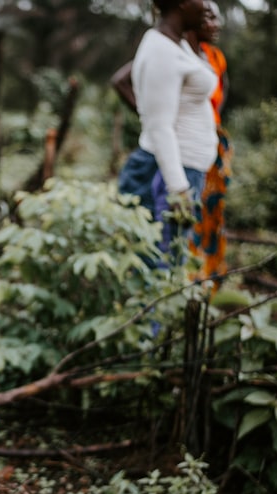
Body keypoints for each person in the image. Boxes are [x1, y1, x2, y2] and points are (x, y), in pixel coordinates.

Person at [112, 0, 216, 266]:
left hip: (186, 166)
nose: (206, 5)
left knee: (168, 258)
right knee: (164, 262)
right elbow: (159, 125)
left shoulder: (175, 44)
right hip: (176, 171)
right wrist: (179, 189)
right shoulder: (163, 51)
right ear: (181, 4)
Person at [187, 0, 231, 285]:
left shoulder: (216, 57)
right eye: (208, 18)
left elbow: (224, 87)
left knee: (214, 207)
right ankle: (190, 270)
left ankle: (212, 272)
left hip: (213, 139)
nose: (214, 25)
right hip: (190, 142)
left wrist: (211, 119)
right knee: (192, 205)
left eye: (217, 19)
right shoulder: (185, 53)